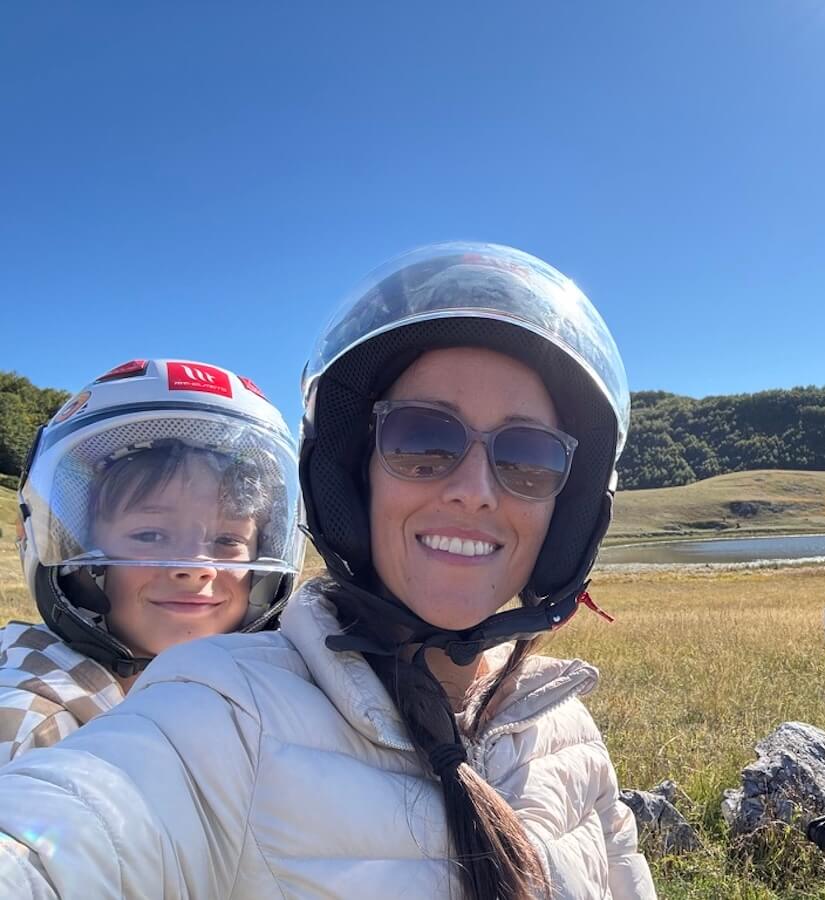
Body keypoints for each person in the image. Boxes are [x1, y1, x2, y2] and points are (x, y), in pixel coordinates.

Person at [0, 243, 655, 899]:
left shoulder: (566, 729)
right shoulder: (222, 713)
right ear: (352, 477)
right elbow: (65, 835)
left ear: (567, 510)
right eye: (423, 441)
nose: (475, 490)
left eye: (528, 457)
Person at [0, 358, 304, 761]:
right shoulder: (35, 722)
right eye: (150, 535)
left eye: (227, 540)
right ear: (77, 564)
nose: (197, 567)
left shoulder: (268, 691)